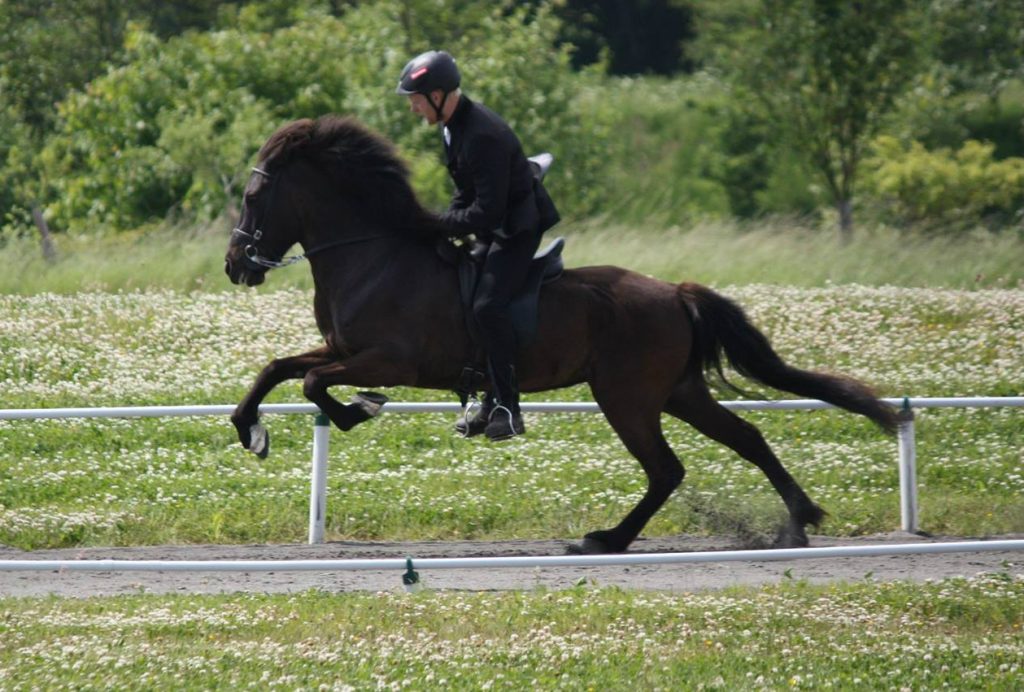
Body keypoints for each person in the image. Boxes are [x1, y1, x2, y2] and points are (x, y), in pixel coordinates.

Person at [396, 50, 560, 441]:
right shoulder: (452, 125)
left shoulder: (482, 135)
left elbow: (486, 212)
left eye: (416, 100)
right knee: (460, 289)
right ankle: (485, 394)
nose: (413, 109)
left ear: (438, 95)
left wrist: (436, 223)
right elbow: (465, 193)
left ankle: (507, 406)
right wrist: (436, 224)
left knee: (487, 307)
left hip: (517, 229)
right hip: (495, 225)